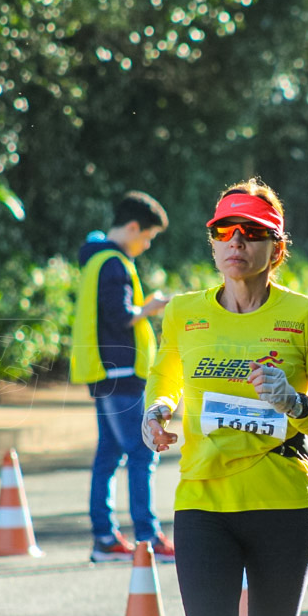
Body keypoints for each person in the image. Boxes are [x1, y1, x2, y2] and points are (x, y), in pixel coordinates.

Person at [141, 177, 308, 616]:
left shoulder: (306, 316)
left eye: (252, 232)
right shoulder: (183, 312)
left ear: (275, 249)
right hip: (203, 503)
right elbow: (163, 379)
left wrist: (294, 402)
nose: (236, 241)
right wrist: (156, 413)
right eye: (224, 230)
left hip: (281, 505)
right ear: (212, 241)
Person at [69, 191, 175, 564]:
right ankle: (147, 537)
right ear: (132, 227)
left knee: (109, 453)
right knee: (142, 451)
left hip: (105, 372)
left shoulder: (95, 257)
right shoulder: (114, 263)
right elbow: (119, 316)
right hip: (122, 372)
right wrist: (152, 308)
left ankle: (105, 537)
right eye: (147, 237)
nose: (146, 245)